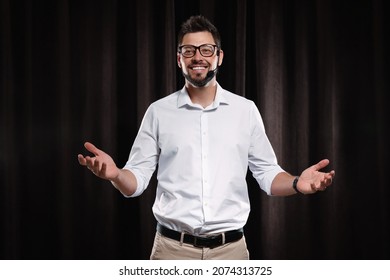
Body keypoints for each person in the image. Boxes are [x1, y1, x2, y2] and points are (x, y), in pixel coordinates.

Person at [78, 15, 335, 260]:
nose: (197, 57)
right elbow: (136, 182)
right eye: (188, 51)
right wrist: (116, 176)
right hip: (171, 252)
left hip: (231, 252)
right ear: (179, 59)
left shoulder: (245, 110)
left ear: (219, 57)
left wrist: (297, 182)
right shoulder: (158, 112)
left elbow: (268, 175)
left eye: (206, 50)